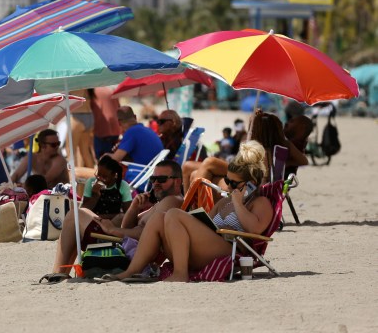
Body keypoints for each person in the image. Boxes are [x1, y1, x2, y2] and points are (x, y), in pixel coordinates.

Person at [107, 141, 274, 282]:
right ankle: (131, 271)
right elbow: (206, 224)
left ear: (251, 183)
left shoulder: (261, 203)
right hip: (206, 249)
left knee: (173, 213)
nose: (229, 186)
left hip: (231, 251)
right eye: (227, 180)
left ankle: (180, 274)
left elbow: (255, 229)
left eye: (234, 183)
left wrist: (238, 203)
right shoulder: (224, 201)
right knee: (159, 217)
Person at [45, 160, 184, 281]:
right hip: (127, 246)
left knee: (74, 216)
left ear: (177, 181)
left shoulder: (173, 201)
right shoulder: (163, 203)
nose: (156, 184)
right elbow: (128, 225)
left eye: (162, 179)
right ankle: (61, 273)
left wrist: (112, 230)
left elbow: (148, 235)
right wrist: (135, 207)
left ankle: (59, 273)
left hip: (129, 252)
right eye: (153, 179)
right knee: (77, 215)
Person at [183, 109, 308, 190]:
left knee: (209, 162)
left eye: (254, 125)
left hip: (244, 176)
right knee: (190, 168)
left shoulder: (263, 147)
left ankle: (188, 207)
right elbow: (303, 161)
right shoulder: (279, 145)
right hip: (241, 171)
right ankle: (188, 206)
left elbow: (260, 177)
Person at [81, 155, 133, 219]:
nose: (100, 178)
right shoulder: (91, 182)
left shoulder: (122, 186)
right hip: (92, 221)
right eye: (98, 174)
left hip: (113, 223)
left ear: (114, 175)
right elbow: (83, 211)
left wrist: (101, 217)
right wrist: (95, 196)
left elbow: (128, 214)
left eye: (105, 177)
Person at [89, 86, 121, 159]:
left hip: (102, 129)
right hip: (116, 128)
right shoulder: (110, 89)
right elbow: (118, 107)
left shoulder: (92, 91)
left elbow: (94, 110)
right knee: (113, 159)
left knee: (102, 160)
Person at [68, 89, 95, 168]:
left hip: (77, 116)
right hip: (89, 116)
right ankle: (93, 176)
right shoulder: (87, 85)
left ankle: (73, 177)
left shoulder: (73, 84)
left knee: (71, 150)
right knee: (85, 152)